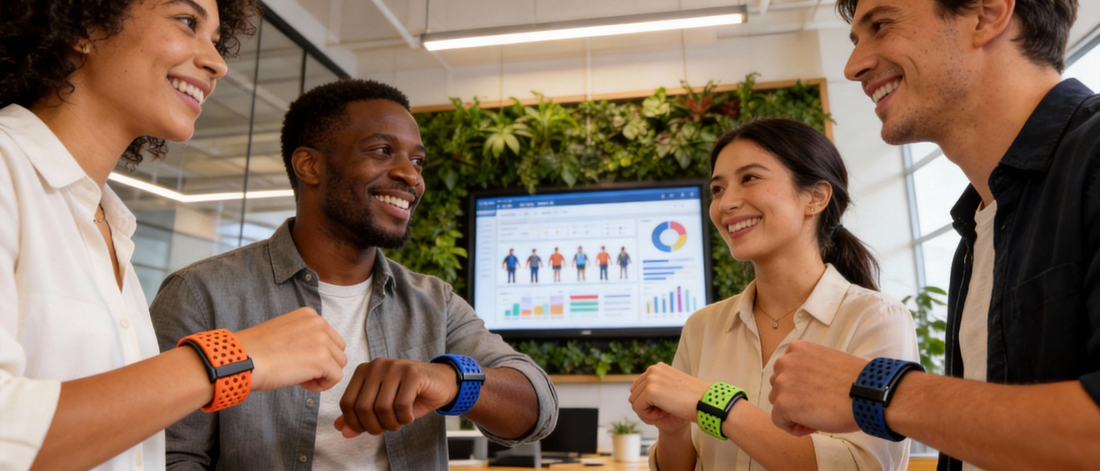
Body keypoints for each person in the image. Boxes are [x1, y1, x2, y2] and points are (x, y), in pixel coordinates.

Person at [0, 1, 349, 470]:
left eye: (216, 39)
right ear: (83, 25)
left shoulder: (106, 222)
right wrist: (234, 356)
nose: (218, 63)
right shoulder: (7, 172)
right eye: (188, 23)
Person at [150, 79, 558, 470]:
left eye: (417, 161)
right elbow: (165, 457)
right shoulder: (202, 294)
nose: (411, 175)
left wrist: (450, 380)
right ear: (309, 165)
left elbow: (538, 408)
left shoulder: (434, 302)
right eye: (382, 151)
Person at [767, 0, 1100, 469]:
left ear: (987, 14)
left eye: (881, 25)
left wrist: (877, 390)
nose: (853, 66)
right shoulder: (976, 231)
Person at [628, 118, 918, 471]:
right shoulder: (703, 326)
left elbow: (863, 465)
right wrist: (673, 430)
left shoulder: (875, 319)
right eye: (717, 189)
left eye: (749, 178)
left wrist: (714, 403)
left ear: (815, 197)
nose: (726, 203)